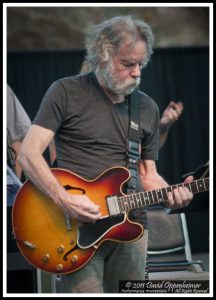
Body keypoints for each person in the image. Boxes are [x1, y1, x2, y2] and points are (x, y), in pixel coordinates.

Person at [18, 16, 193, 293]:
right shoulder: (66, 92)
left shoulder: (146, 107)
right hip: (75, 228)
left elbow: (148, 176)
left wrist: (172, 196)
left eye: (140, 65)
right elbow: (28, 154)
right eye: (127, 64)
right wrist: (64, 199)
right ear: (103, 54)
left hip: (132, 229)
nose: (137, 73)